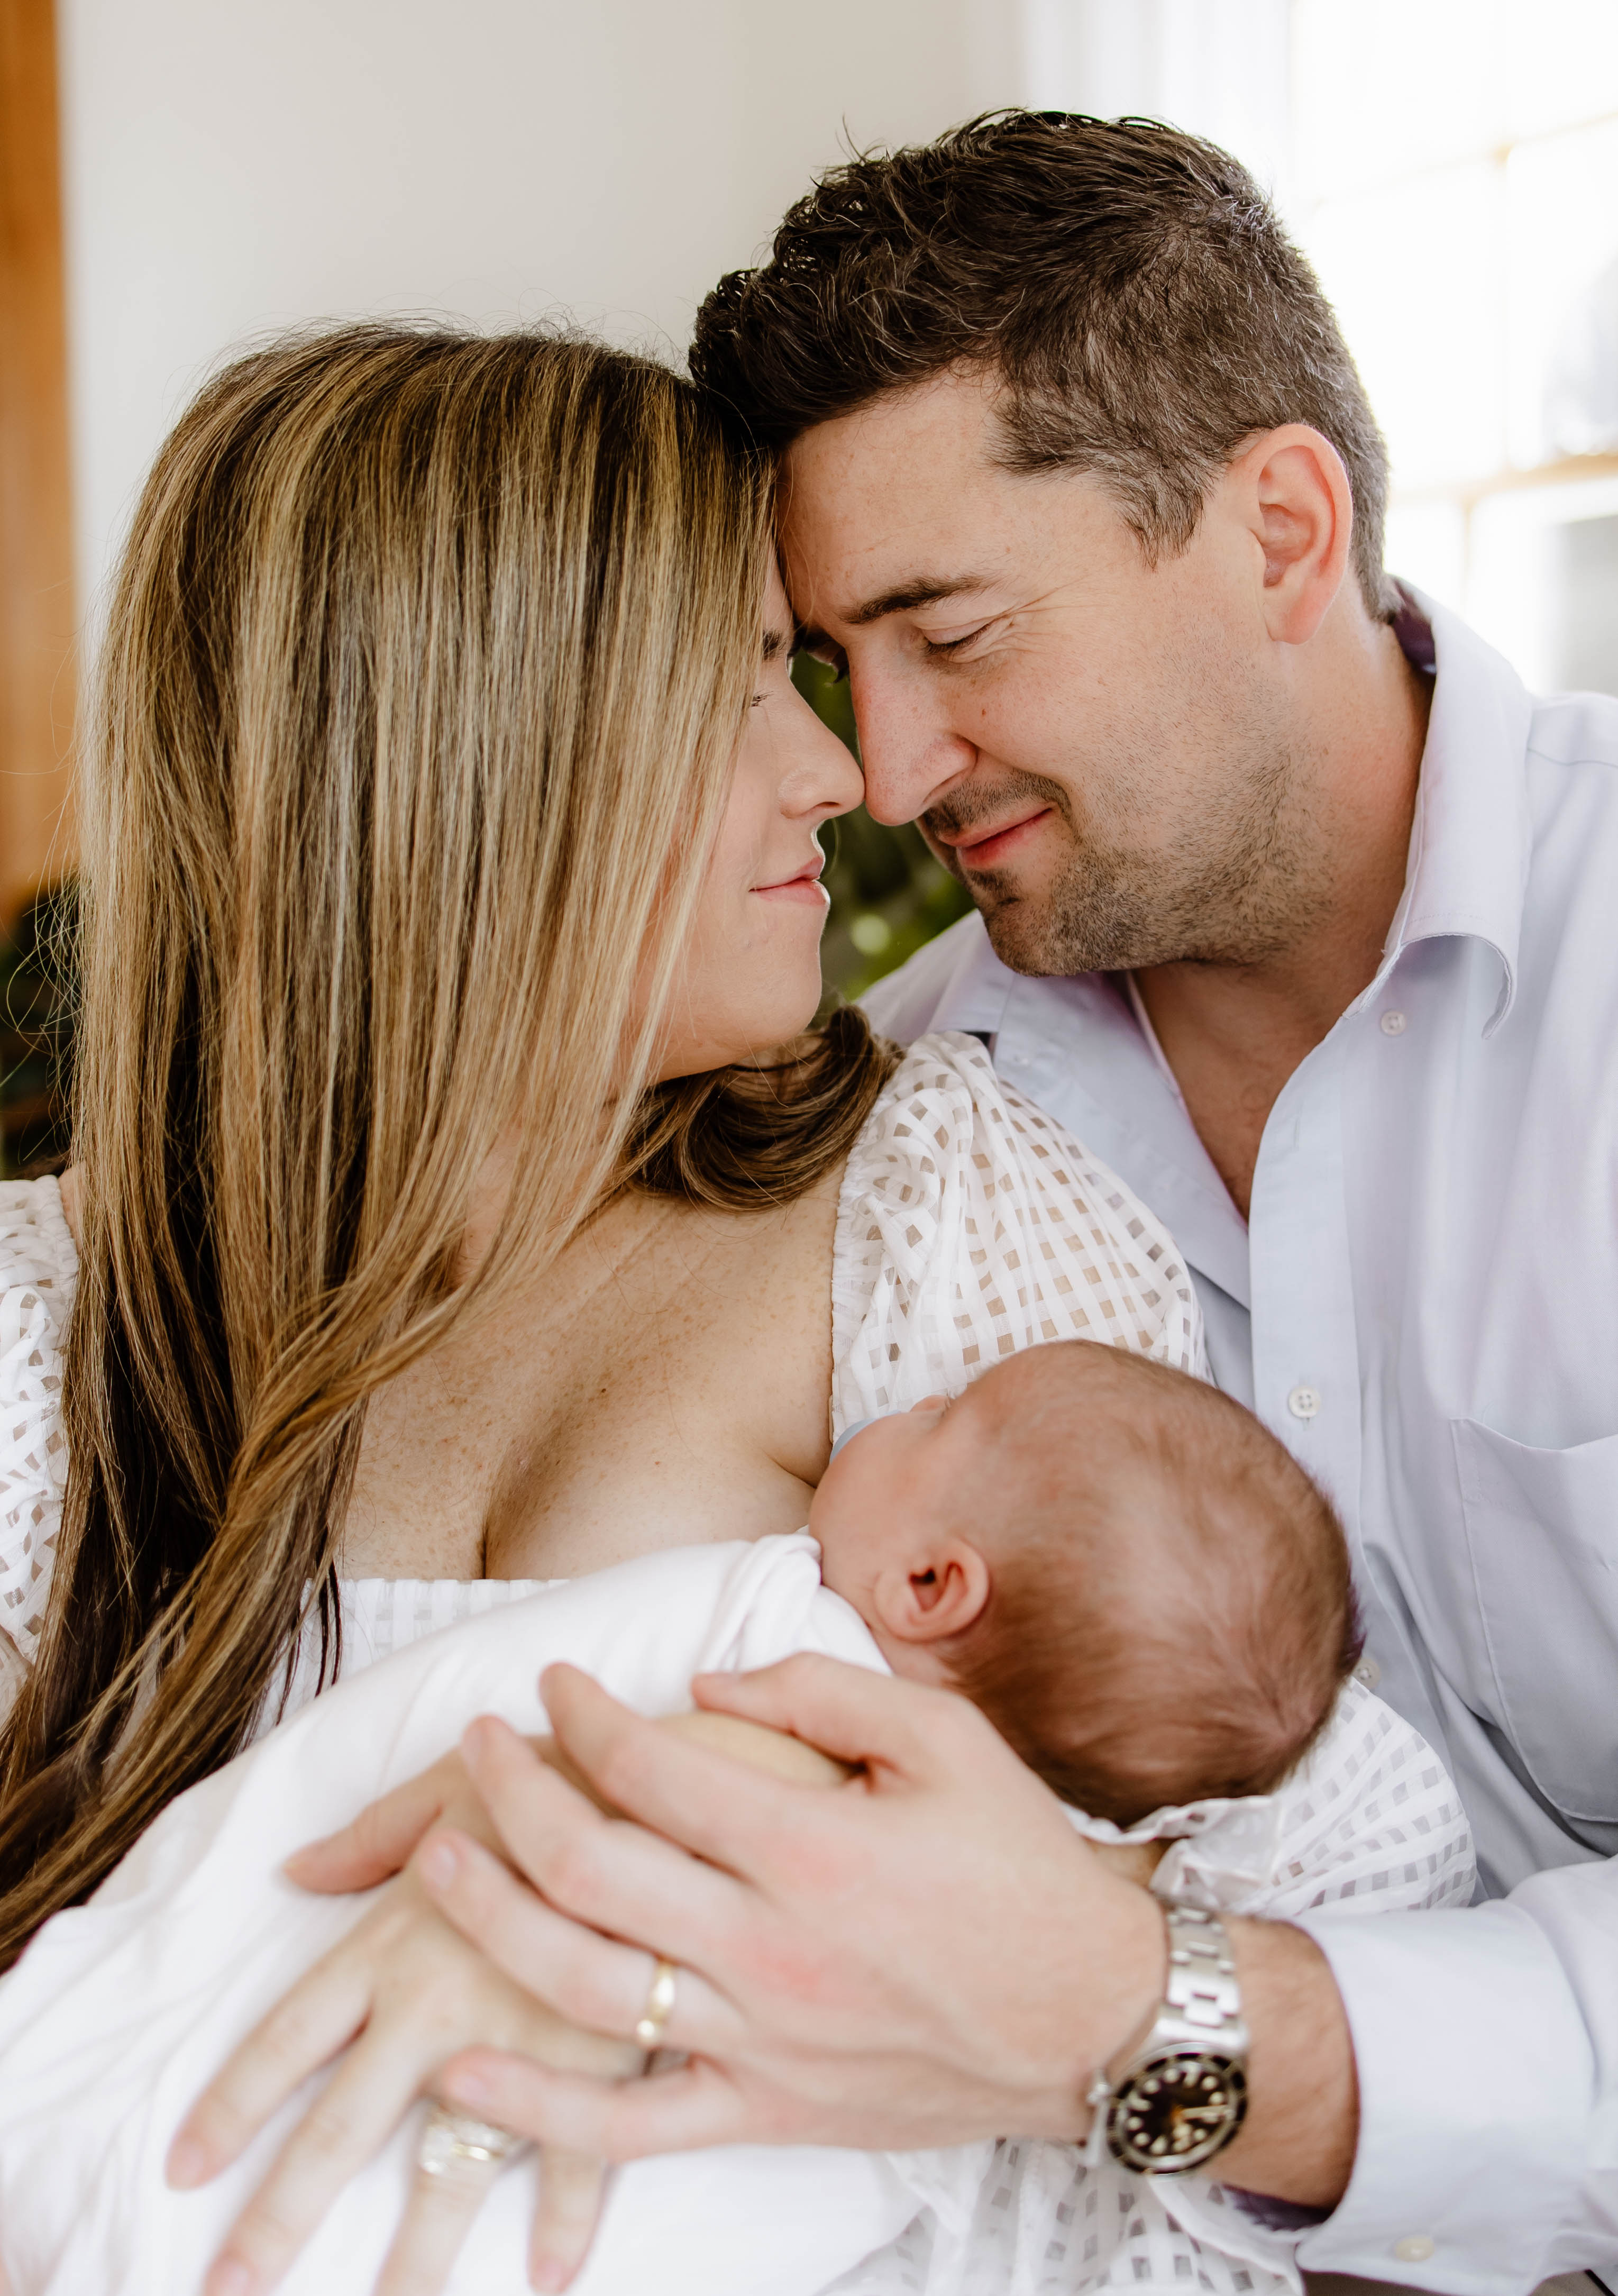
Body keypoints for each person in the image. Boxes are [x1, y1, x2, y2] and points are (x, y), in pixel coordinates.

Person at [292, 115, 1617, 2295]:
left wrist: (1155, 2018)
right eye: (833, 663)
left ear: (1281, 530)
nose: (887, 779)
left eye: (959, 633)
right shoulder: (907, 1128)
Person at [0, 316, 1281, 2296]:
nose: (840, 774)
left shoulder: (936, 1210)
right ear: (454, 777)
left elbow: (1260, 1864)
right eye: (738, 688)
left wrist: (658, 1886)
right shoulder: (48, 1323)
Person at [0, 1342, 1471, 2296]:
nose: (905, 1400)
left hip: (128, 2120)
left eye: (941, 1413)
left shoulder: (783, 1630)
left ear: (931, 1586)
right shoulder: (1019, 1944)